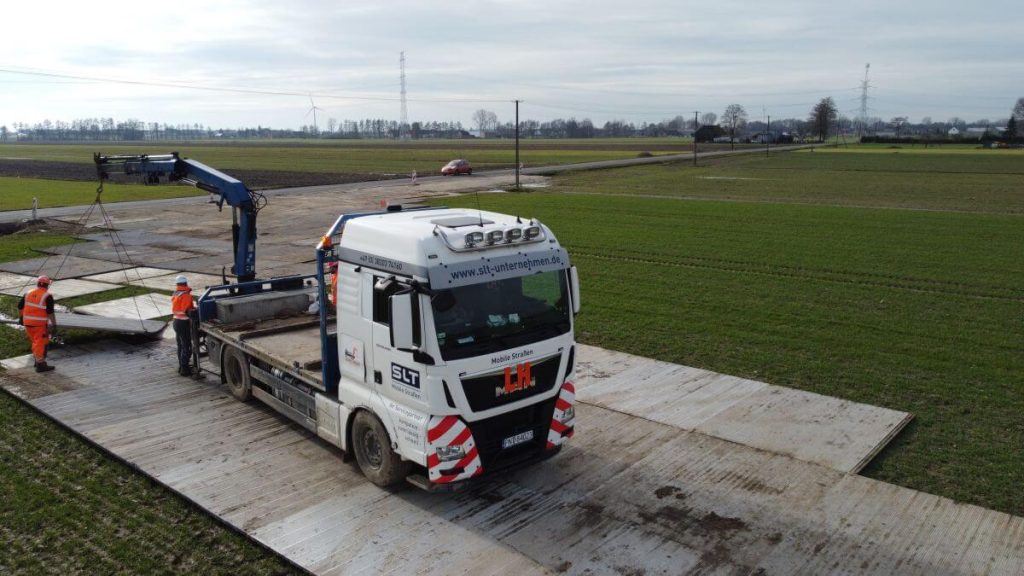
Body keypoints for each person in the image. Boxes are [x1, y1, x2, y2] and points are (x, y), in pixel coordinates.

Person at [18, 275, 57, 373]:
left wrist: (21, 318)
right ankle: (40, 364)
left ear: (38, 283)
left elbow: (20, 306)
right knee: (40, 343)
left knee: (35, 342)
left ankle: (38, 361)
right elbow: (50, 312)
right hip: (39, 324)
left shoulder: (28, 293)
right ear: (47, 285)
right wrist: (54, 324)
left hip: (28, 323)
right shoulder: (47, 296)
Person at [171, 275, 195, 376]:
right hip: (183, 323)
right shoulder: (187, 296)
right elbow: (187, 310)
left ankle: (181, 366)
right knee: (187, 347)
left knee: (180, 345)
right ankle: (184, 369)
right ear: (185, 283)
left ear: (177, 284)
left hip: (176, 322)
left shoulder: (175, 294)